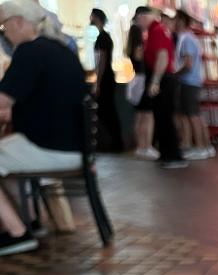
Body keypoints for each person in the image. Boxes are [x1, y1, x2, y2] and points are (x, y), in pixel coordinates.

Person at [0, 0, 86, 256]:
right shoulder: (60, 49)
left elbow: (4, 99)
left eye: (4, 26)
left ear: (18, 22)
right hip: (72, 145)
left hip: (52, 148)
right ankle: (28, 221)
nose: (4, 33)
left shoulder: (29, 51)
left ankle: (18, 233)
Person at [137, 5, 185, 168]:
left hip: (163, 79)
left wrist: (155, 81)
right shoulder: (156, 30)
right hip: (164, 78)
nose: (138, 24)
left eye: (138, 20)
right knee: (161, 117)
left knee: (165, 118)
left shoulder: (157, 31)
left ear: (143, 17)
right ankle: (167, 154)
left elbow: (163, 57)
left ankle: (173, 156)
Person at [173, 10, 213, 160]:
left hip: (188, 81)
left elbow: (188, 63)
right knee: (193, 114)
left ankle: (201, 148)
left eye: (175, 19)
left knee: (192, 115)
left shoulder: (186, 39)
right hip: (192, 81)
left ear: (181, 21)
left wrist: (175, 73)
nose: (173, 23)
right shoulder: (189, 38)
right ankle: (205, 146)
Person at [90, 8, 123, 152]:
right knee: (107, 111)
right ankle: (114, 142)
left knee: (107, 111)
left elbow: (102, 61)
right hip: (106, 79)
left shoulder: (103, 38)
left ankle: (114, 143)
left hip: (105, 80)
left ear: (96, 17)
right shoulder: (103, 37)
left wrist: (97, 82)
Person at [127, 13, 155, 159]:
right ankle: (146, 146)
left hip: (136, 82)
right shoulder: (140, 48)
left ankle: (140, 147)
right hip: (143, 83)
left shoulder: (130, 47)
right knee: (147, 116)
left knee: (139, 117)